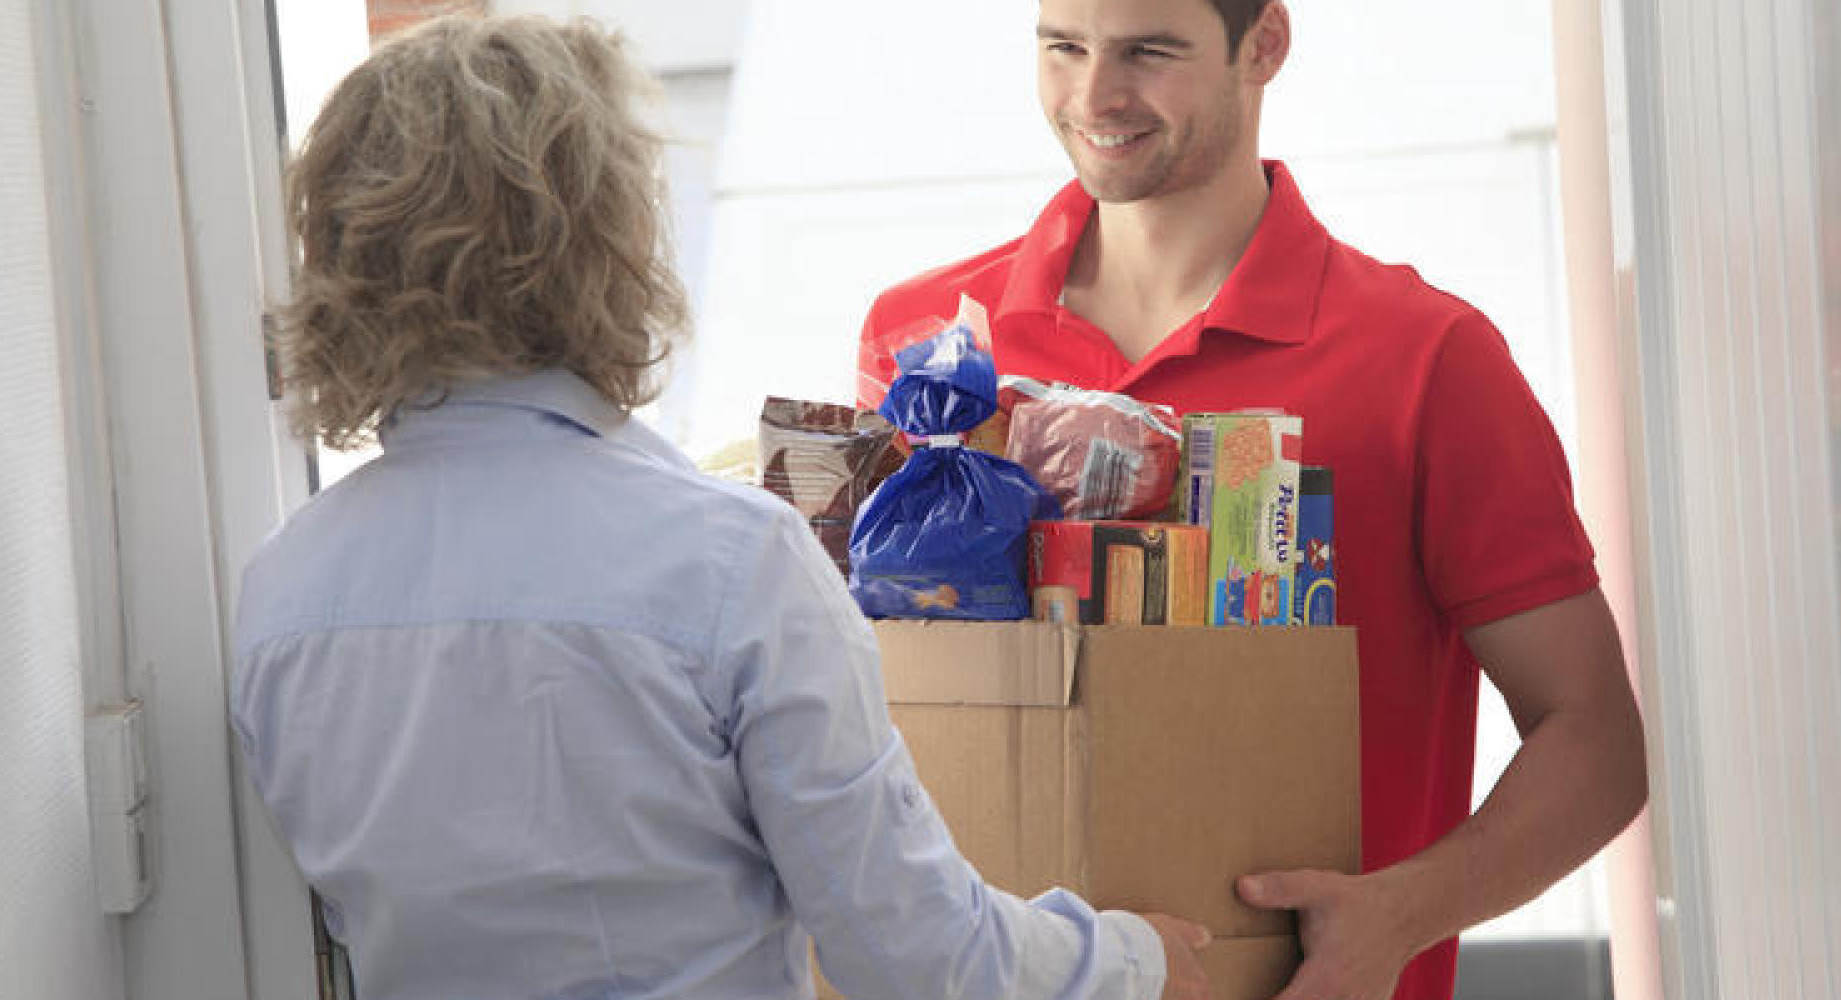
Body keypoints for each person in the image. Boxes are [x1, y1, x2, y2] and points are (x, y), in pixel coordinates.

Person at [230, 13, 1214, 1000]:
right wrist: (1137, 956)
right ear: (605, 239)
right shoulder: (725, 561)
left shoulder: (284, 589)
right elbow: (915, 959)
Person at [854, 2, 1649, 998]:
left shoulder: (1424, 360)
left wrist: (1399, 915)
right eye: (1061, 47)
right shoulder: (927, 346)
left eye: (1147, 52)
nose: (1092, 96)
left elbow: (1591, 739)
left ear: (1263, 43)